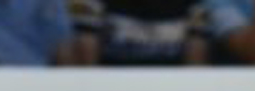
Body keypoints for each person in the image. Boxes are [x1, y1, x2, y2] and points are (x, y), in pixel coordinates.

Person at [69, 0, 211, 65]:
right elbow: (85, 59)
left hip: (170, 87)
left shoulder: (197, 3)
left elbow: (195, 61)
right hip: (110, 85)